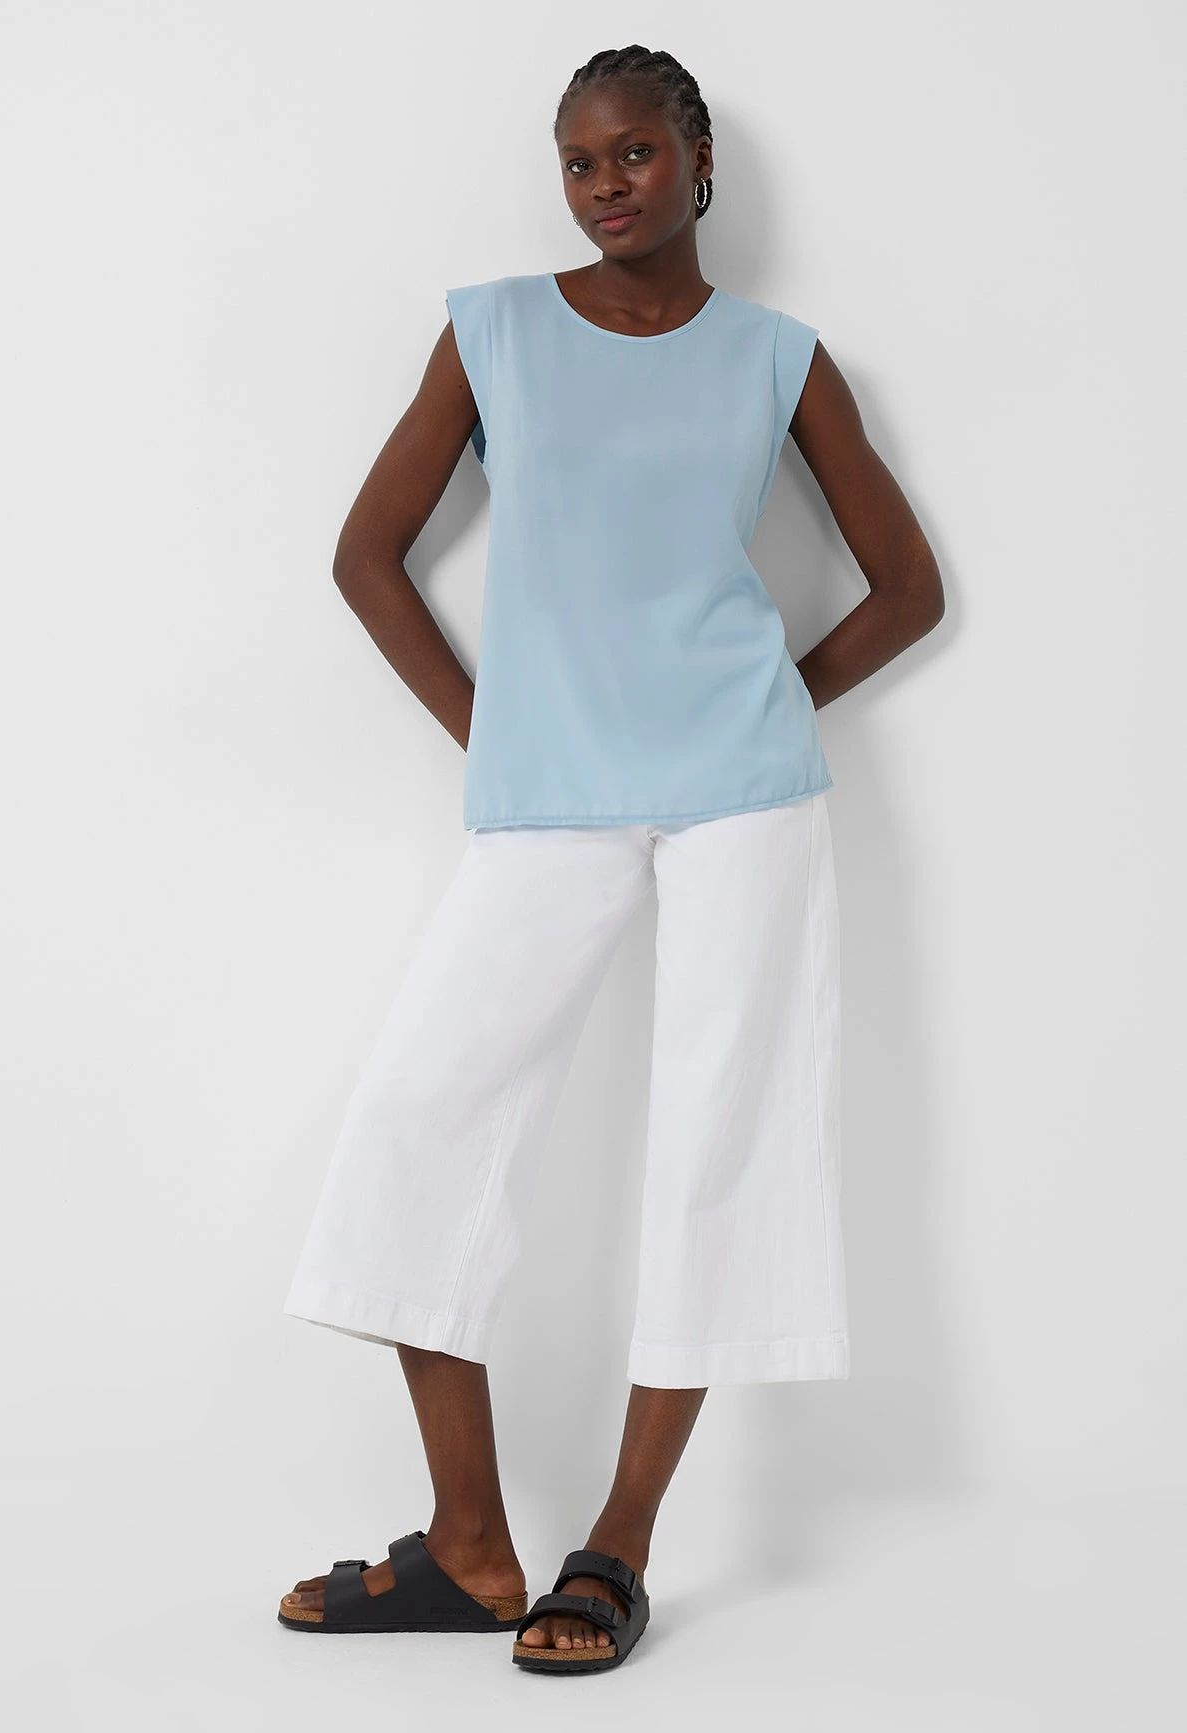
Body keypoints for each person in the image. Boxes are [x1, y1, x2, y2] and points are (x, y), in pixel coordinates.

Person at [277, 43, 943, 1673]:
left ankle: (619, 1544)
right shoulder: (493, 332)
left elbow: (908, 587)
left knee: (725, 1137)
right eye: (578, 163)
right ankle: (468, 1543)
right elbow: (366, 557)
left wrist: (755, 707)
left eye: (634, 155)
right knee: (421, 1117)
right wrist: (495, 732)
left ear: (699, 165)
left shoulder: (780, 359)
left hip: (742, 799)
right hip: (552, 798)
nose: (604, 186)